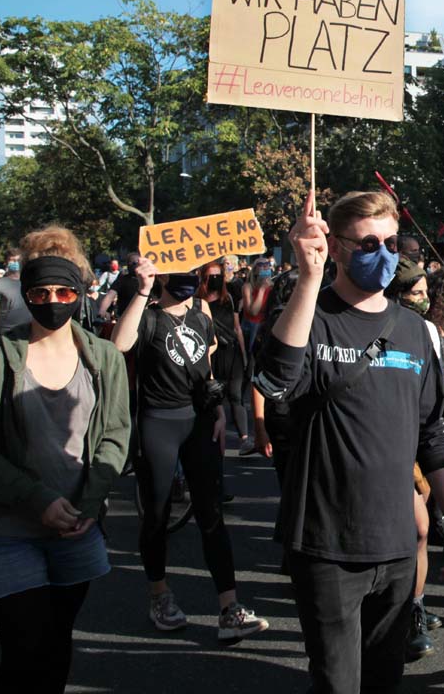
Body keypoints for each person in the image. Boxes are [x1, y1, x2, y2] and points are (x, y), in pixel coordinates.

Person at [253, 189, 444, 694]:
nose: (384, 252)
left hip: (396, 545)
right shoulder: (310, 316)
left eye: (392, 241)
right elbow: (277, 380)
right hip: (326, 543)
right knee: (337, 682)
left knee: (384, 679)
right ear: (336, 248)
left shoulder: (417, 332)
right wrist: (308, 281)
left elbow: (432, 435)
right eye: (368, 242)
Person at [0, 226, 131, 694]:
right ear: (26, 294)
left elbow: (115, 436)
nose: (52, 300)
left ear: (78, 293)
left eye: (63, 291)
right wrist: (37, 501)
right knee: (23, 653)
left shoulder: (104, 358)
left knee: (56, 647)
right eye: (40, 291)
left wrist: (90, 505)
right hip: (8, 531)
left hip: (77, 529)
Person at [112, 260, 268, 642]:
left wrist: (217, 409)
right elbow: (119, 344)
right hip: (157, 422)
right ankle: (159, 595)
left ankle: (229, 608)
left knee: (211, 514)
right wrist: (144, 288)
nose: (190, 281)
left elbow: (206, 366)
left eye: (194, 274)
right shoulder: (148, 315)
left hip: (199, 421)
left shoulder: (201, 312)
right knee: (157, 514)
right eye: (180, 274)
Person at [384, 257, 444, 660]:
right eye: (416, 294)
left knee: (419, 531)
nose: (424, 300)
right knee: (408, 532)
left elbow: (432, 397)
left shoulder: (428, 331)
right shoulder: (377, 327)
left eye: (426, 293)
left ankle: (413, 610)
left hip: (415, 444)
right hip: (380, 447)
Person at [199, 260, 252, 455]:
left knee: (236, 394)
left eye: (218, 276)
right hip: (210, 352)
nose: (215, 279)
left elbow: (237, 326)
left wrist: (244, 353)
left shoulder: (228, 297)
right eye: (211, 276)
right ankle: (217, 441)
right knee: (215, 396)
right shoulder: (197, 301)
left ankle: (244, 438)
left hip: (231, 352)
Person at [0, 251, 29, 344]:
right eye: (12, 260)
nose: (15, 263)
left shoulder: (30, 282)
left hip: (28, 330)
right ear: (6, 262)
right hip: (6, 332)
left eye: (18, 260)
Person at [240, 259, 273, 352]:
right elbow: (253, 312)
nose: (265, 266)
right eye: (261, 264)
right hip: (252, 326)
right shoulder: (248, 287)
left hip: (266, 325)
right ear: (255, 270)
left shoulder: (272, 286)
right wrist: (262, 290)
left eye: (267, 264)